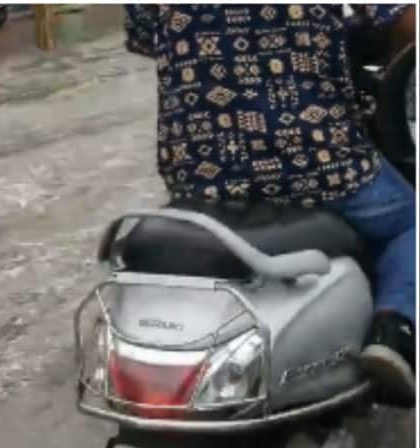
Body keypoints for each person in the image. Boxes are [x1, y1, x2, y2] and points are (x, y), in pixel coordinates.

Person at [124, 4, 416, 405]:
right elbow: (406, 21)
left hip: (199, 175)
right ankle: (395, 331)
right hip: (317, 165)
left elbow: (145, 36)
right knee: (409, 219)